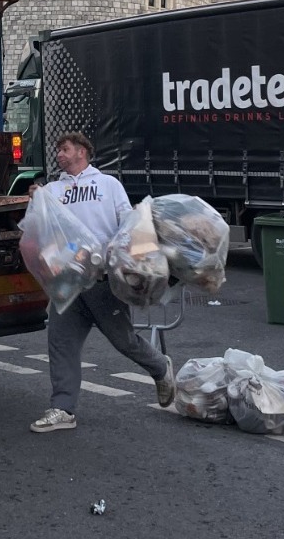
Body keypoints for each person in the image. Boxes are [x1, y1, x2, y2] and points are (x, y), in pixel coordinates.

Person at [29, 131, 175, 434]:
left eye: (65, 149)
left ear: (82, 152)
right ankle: (63, 408)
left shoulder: (108, 185)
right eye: (58, 150)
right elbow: (44, 229)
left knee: (123, 340)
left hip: (102, 280)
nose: (59, 154)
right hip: (68, 281)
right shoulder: (53, 190)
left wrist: (136, 260)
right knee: (60, 343)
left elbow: (127, 225)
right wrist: (36, 199)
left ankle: (161, 367)